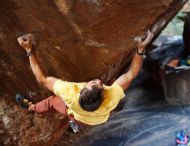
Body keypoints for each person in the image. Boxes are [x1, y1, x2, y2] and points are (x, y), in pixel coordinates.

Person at [16, 31, 154, 130]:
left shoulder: (70, 94)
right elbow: (131, 74)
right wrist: (140, 49)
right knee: (114, 83)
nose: (99, 81)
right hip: (97, 119)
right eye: (100, 85)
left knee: (52, 100)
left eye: (95, 83)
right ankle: (74, 122)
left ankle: (32, 107)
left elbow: (42, 79)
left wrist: (29, 50)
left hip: (79, 117)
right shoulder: (111, 98)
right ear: (104, 96)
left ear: (80, 91)